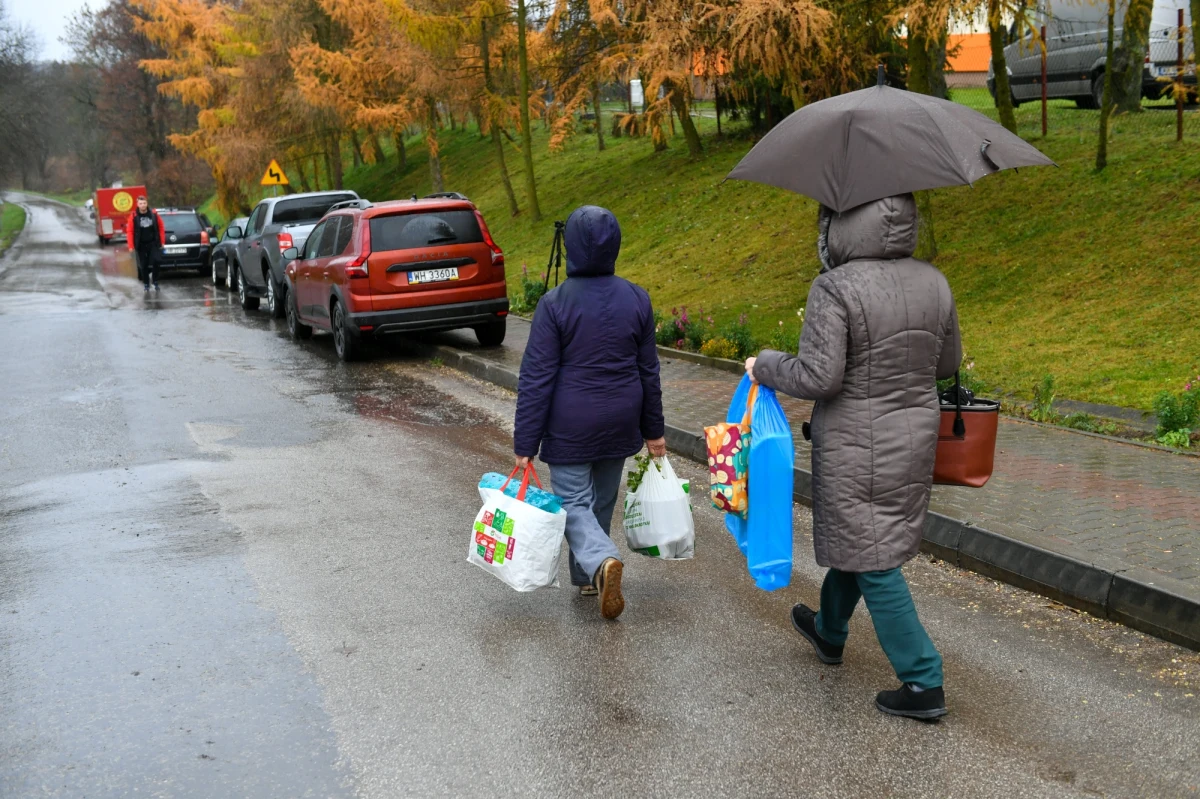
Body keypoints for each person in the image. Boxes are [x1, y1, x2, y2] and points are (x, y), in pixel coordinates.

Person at [745, 193, 961, 721]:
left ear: (839, 226)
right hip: (914, 435)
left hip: (854, 443)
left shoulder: (835, 287)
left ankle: (922, 679)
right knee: (866, 538)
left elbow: (820, 376)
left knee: (875, 557)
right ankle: (829, 631)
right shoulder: (934, 281)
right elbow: (947, 361)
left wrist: (765, 365)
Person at [513, 205, 666, 620]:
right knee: (601, 500)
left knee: (573, 504)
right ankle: (588, 578)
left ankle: (600, 561)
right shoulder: (637, 298)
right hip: (621, 416)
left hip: (571, 423)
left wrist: (525, 443)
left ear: (572, 247)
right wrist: (654, 432)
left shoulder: (555, 303)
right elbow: (648, 371)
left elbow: (537, 377)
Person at [125, 195, 165, 292]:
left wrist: (162, 241)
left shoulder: (154, 214)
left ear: (147, 203)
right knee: (143, 265)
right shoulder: (134, 216)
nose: (143, 205)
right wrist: (130, 246)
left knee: (157, 260)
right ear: (137, 205)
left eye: (144, 203)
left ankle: (155, 280)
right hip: (141, 244)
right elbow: (130, 231)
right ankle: (146, 283)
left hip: (153, 243)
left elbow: (161, 227)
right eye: (140, 204)